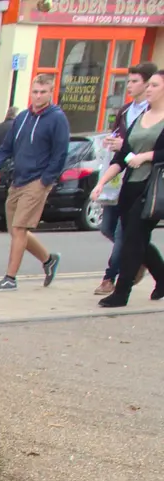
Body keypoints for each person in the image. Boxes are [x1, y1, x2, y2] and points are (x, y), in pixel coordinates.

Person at [0, 74, 69, 292]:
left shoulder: (57, 119)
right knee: (15, 230)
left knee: (20, 228)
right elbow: (6, 147)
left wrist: (45, 180)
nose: (38, 96)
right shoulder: (22, 118)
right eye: (35, 92)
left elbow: (60, 154)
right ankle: (49, 260)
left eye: (43, 92)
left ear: (51, 93)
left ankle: (10, 278)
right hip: (18, 179)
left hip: (37, 181)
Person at [95, 70, 164, 308]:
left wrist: (147, 155)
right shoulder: (139, 118)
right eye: (149, 85)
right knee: (138, 239)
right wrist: (102, 182)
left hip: (152, 188)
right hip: (130, 186)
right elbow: (122, 157)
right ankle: (162, 278)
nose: (149, 89)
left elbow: (154, 154)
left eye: (154, 85)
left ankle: (121, 292)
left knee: (132, 238)